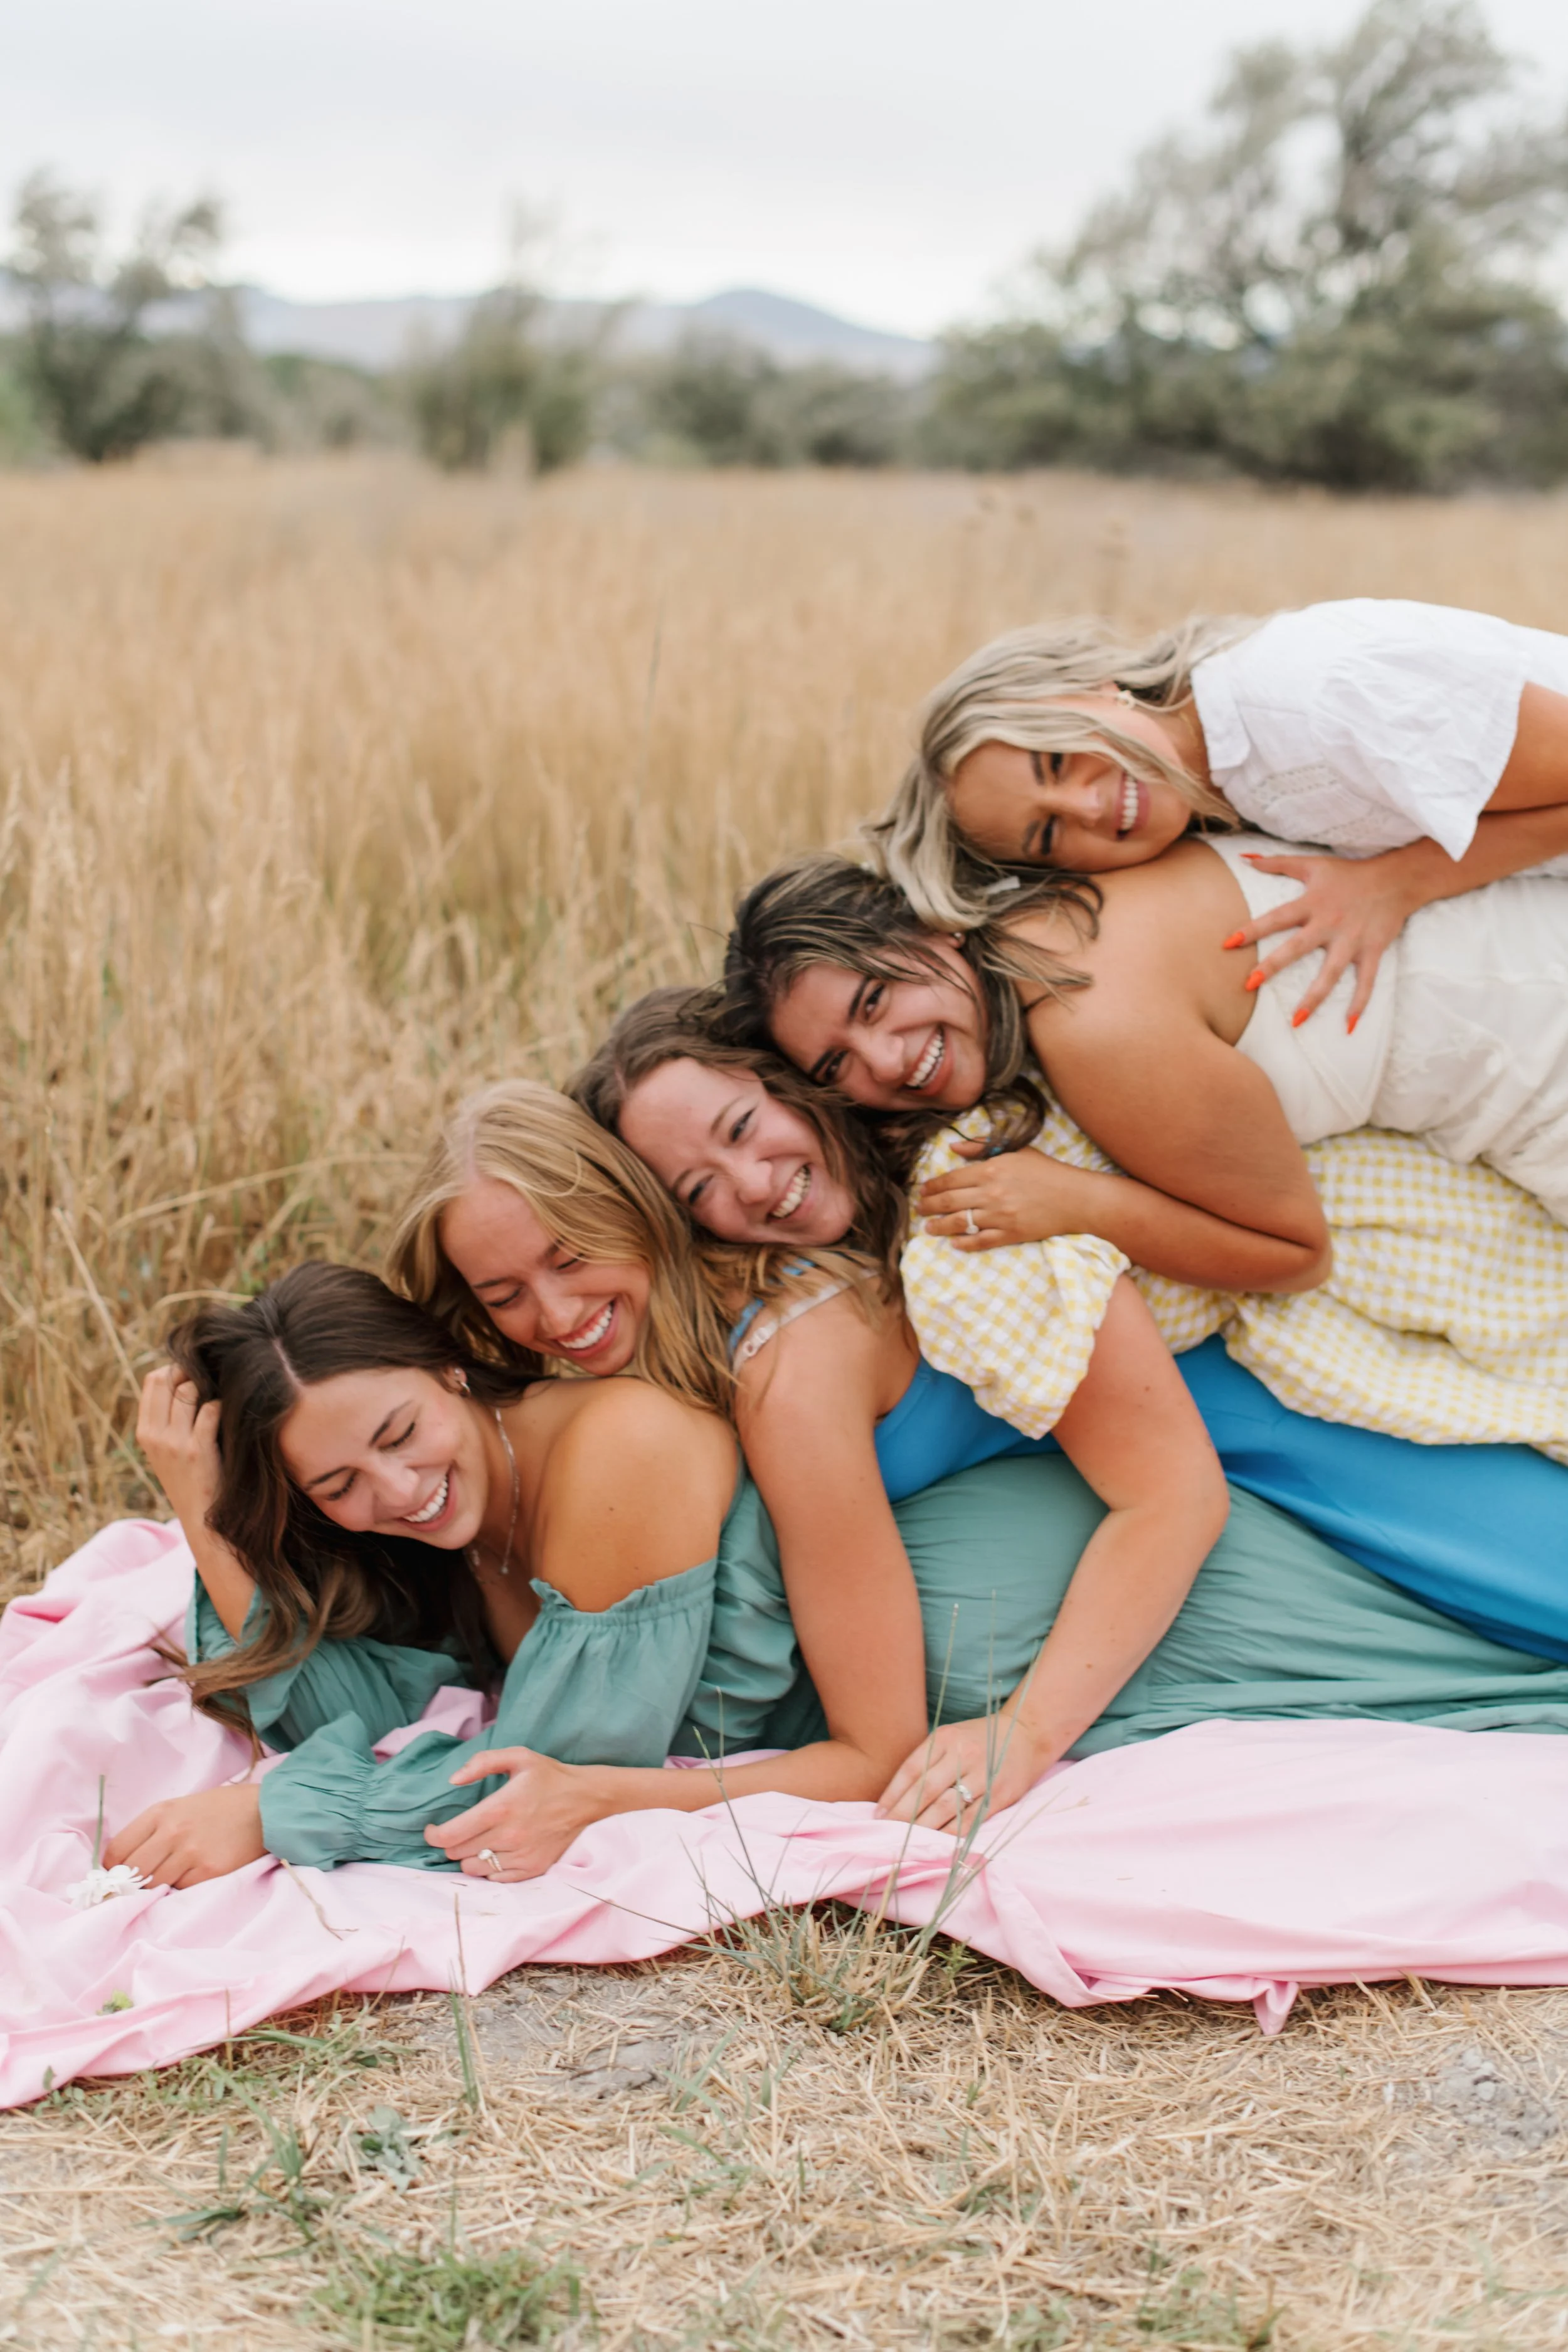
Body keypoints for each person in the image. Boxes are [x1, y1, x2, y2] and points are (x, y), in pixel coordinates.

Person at [575, 985, 1568, 1665]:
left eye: (745, 1130)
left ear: (794, 1087)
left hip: (1293, 1426)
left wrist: (1027, 1735)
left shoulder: (966, 1207)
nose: (754, 1185)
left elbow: (1170, 1491)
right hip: (1242, 1485)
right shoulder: (778, 1293)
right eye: (698, 1185)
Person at [872, 600, 1568, 1030]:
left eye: (1054, 760)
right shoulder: (1223, 781)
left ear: (1085, 688)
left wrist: (1398, 882)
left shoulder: (1314, 703)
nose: (1088, 805)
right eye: (1047, 835)